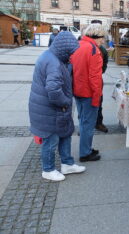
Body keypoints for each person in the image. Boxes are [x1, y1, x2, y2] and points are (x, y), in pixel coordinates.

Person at [29, 31, 86, 181]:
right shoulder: (53, 62)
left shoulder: (52, 57)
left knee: (65, 134)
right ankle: (47, 169)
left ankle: (67, 164)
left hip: (53, 109)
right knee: (51, 140)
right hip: (50, 110)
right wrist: (65, 102)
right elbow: (53, 91)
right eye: (71, 52)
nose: (72, 55)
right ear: (64, 49)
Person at [71, 23, 106, 162]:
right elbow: (95, 78)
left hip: (78, 90)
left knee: (83, 121)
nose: (103, 41)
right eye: (102, 37)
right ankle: (85, 153)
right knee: (88, 124)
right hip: (88, 93)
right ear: (97, 36)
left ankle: (86, 148)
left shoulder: (78, 45)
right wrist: (97, 98)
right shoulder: (94, 50)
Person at [91, 20, 109, 133]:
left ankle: (98, 123)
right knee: (85, 105)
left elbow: (104, 65)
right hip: (84, 81)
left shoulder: (102, 49)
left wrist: (98, 73)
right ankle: (85, 126)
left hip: (97, 80)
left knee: (98, 102)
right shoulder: (83, 44)